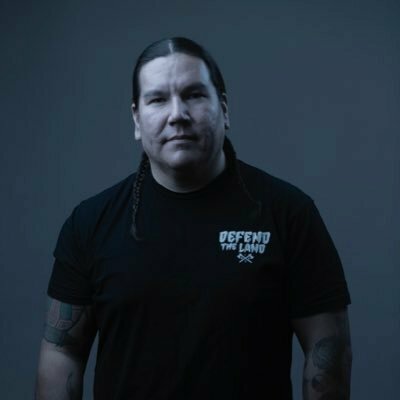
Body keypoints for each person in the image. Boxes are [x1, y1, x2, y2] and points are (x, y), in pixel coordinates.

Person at [35, 37, 352, 400]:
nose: (177, 114)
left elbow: (329, 350)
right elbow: (62, 351)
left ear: (224, 110)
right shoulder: (90, 223)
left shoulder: (288, 213)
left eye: (194, 95)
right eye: (158, 99)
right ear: (137, 119)